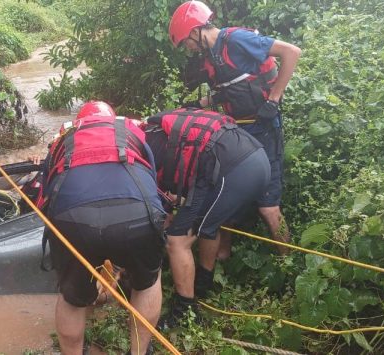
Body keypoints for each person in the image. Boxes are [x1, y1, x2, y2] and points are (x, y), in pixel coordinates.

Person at [169, 1, 301, 275]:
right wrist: (200, 103)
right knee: (223, 192)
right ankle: (224, 257)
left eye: (187, 43)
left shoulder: (237, 40)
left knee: (268, 208)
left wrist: (274, 100)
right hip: (238, 131)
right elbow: (234, 88)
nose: (188, 49)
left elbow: (292, 53)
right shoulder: (212, 58)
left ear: (197, 31)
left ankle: (291, 267)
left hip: (264, 130)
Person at [38, 101, 165, 355]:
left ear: (80, 121)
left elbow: (45, 196)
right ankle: (139, 352)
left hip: (73, 217)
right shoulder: (131, 128)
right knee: (147, 283)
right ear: (113, 119)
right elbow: (151, 177)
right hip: (136, 211)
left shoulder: (63, 136)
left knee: (71, 299)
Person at [145, 108, 270, 329]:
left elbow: (155, 205)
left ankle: (184, 310)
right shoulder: (158, 131)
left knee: (177, 241)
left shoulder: (146, 146)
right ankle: (203, 285)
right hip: (256, 158)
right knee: (206, 224)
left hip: (231, 169)